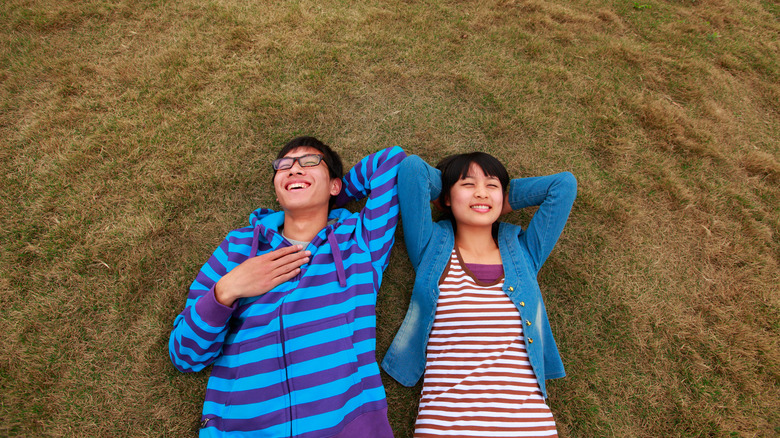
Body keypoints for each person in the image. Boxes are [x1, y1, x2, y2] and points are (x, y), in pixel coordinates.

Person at [169, 136, 406, 437]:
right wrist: (227, 289)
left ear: (335, 184)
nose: (294, 169)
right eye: (284, 166)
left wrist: (330, 196)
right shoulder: (238, 247)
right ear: (277, 194)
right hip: (242, 429)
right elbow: (185, 355)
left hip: (347, 427)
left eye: (310, 162)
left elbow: (390, 161)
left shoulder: (360, 241)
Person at [381, 153, 577, 437]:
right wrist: (453, 196)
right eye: (468, 184)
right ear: (447, 197)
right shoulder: (431, 248)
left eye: (492, 185)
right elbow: (413, 171)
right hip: (445, 426)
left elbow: (563, 185)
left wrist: (495, 203)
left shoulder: (524, 254)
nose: (481, 192)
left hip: (529, 426)